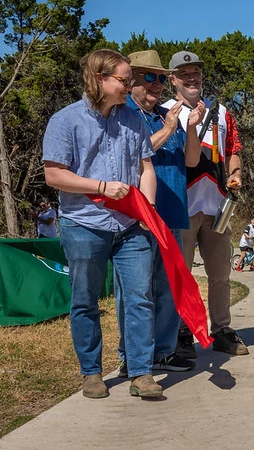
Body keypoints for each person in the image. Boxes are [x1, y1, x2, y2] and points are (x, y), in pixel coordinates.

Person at [42, 49, 162, 399]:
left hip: (131, 227)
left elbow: (146, 170)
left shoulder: (134, 119)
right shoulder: (65, 121)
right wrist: (101, 187)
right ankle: (91, 373)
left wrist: (148, 211)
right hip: (83, 224)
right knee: (85, 300)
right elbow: (54, 175)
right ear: (99, 79)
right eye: (125, 80)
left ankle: (141, 372)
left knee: (140, 298)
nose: (131, 85)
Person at [115, 50, 205, 378]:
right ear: (131, 81)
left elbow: (192, 161)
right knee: (136, 291)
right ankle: (133, 356)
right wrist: (169, 128)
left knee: (168, 288)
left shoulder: (167, 115)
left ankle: (163, 353)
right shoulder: (122, 114)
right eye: (149, 77)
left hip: (172, 212)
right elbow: (129, 156)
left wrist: (190, 127)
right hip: (137, 216)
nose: (157, 85)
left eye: (161, 78)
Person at [163, 51, 248, 357]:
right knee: (181, 276)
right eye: (184, 74)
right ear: (172, 79)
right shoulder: (163, 112)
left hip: (217, 206)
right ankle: (182, 333)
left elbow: (233, 148)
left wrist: (235, 174)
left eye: (195, 72)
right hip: (179, 207)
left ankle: (222, 330)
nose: (191, 78)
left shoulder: (222, 112)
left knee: (221, 274)